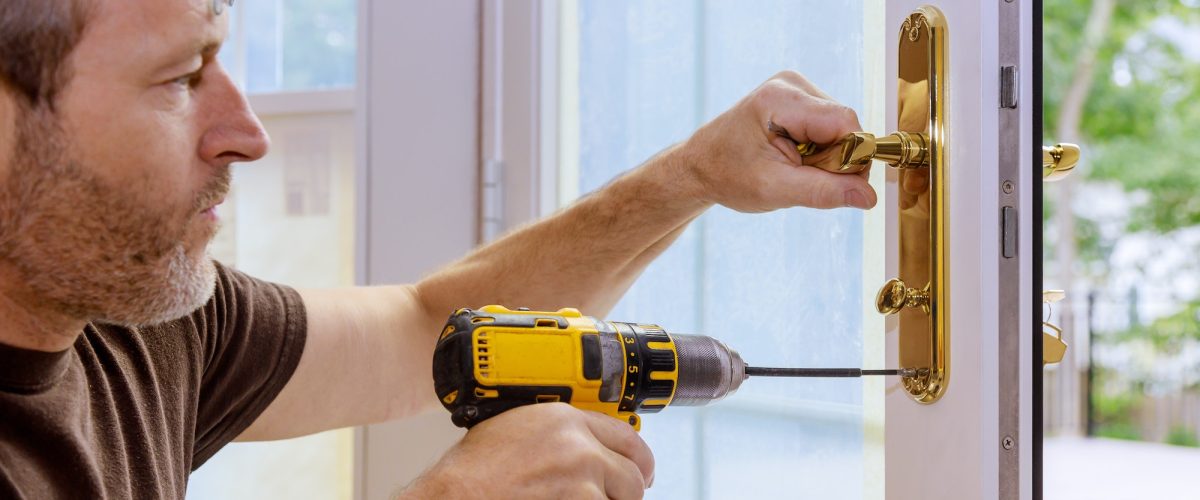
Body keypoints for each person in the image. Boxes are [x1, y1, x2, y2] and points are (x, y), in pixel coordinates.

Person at [0, 0, 876, 498]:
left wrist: (689, 176)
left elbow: (433, 332)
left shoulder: (136, 319)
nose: (246, 132)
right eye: (182, 78)